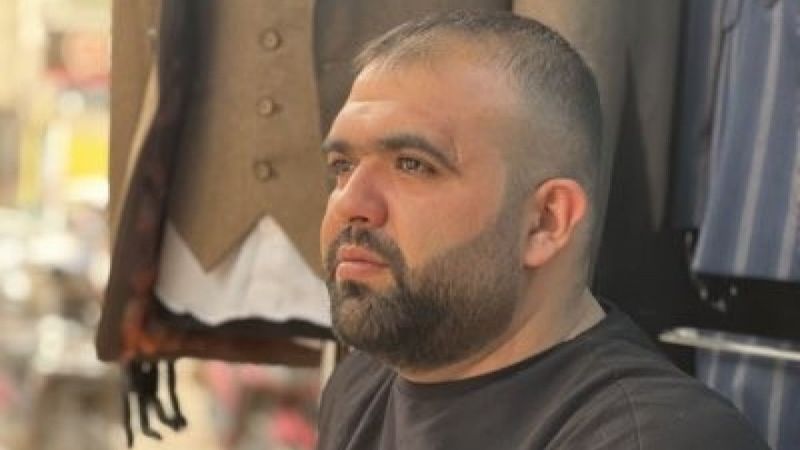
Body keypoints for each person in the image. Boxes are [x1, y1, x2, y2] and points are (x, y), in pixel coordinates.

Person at [316, 10, 770, 450]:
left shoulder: (656, 439)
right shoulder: (362, 386)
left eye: (413, 165)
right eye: (343, 166)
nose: (351, 204)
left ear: (547, 221)